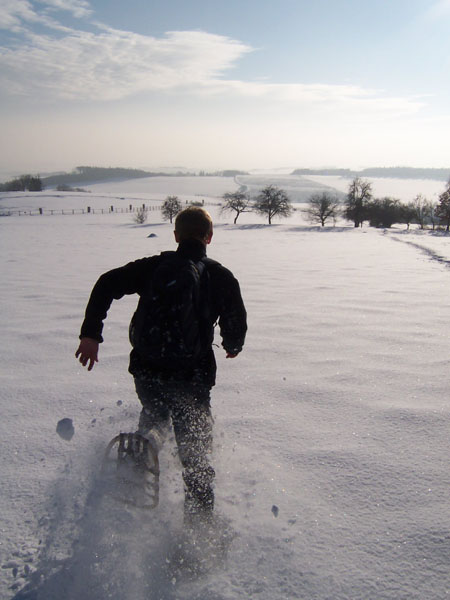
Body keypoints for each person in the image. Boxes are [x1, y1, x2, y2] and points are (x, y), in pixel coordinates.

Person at [75, 207, 247, 523]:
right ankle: (198, 533)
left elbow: (105, 284)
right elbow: (236, 322)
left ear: (176, 236)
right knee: (195, 454)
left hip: (147, 367)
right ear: (209, 237)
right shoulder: (220, 276)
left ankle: (149, 442)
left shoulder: (154, 267)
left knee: (154, 411)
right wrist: (233, 345)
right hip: (193, 375)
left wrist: (91, 334)